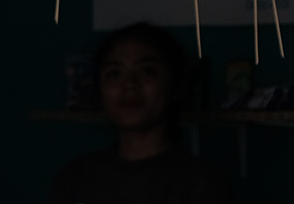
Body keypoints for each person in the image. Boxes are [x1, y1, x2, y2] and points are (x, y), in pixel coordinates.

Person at [46, 22, 234, 204]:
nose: (129, 84)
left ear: (175, 84)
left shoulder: (200, 184)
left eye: (147, 71)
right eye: (114, 73)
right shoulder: (75, 179)